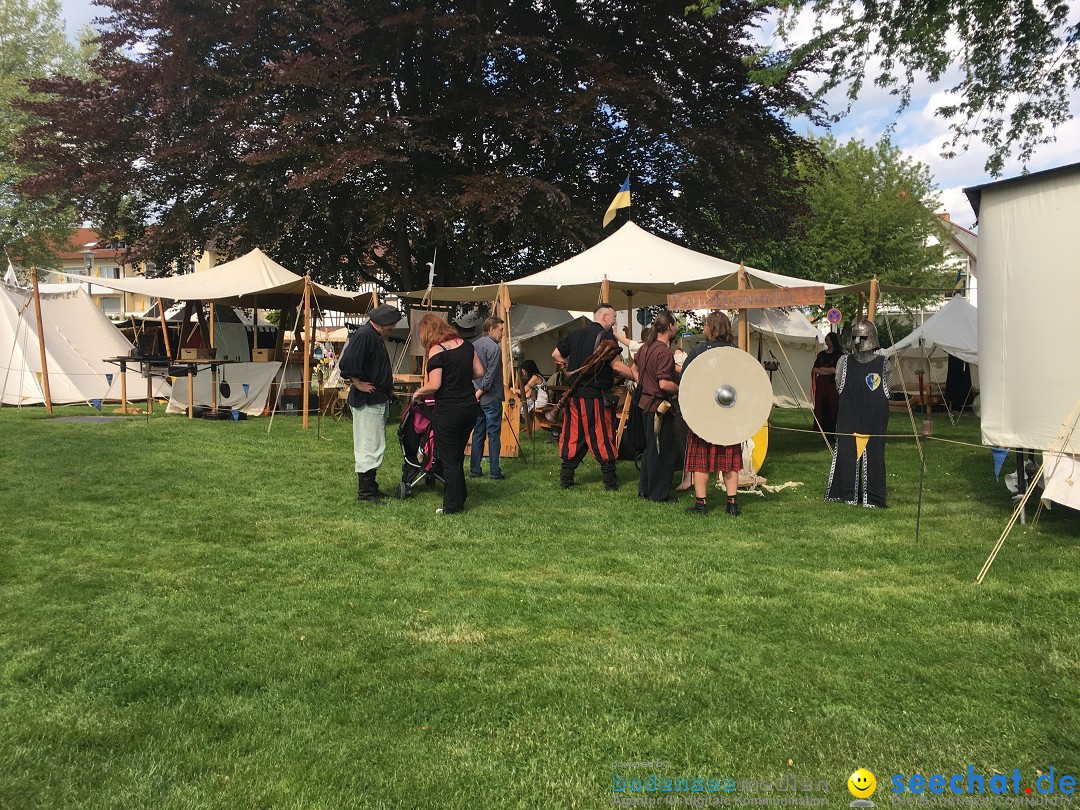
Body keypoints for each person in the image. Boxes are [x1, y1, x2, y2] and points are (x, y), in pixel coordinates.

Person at [552, 303, 637, 491]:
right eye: (613, 317)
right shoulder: (605, 336)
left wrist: (570, 367)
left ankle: (566, 479)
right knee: (602, 435)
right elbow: (615, 366)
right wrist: (636, 375)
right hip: (595, 397)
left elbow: (556, 354)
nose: (615, 321)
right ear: (604, 317)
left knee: (574, 435)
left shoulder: (576, 333)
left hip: (574, 396)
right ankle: (610, 482)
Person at [412, 313, 484, 515]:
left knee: (449, 459)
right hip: (470, 407)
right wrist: (460, 375)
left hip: (449, 410)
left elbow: (435, 384)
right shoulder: (466, 344)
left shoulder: (436, 351)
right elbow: (479, 373)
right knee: (458, 455)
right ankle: (459, 496)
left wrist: (417, 393)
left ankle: (452, 506)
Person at [680, 311, 743, 516]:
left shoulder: (699, 351)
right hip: (728, 415)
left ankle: (701, 504)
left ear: (712, 328)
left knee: (701, 461)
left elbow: (685, 380)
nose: (705, 328)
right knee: (729, 461)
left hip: (703, 415)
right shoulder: (735, 352)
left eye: (707, 325)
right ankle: (731, 504)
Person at [338, 303, 401, 504]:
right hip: (368, 399)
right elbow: (347, 363)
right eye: (391, 324)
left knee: (375, 443)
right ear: (382, 322)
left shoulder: (374, 336)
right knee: (369, 444)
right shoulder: (365, 335)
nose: (393, 328)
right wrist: (358, 383)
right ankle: (365, 493)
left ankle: (371, 487)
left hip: (377, 397)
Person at [825, 319, 890, 507]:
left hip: (874, 420)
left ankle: (874, 497)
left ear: (870, 338)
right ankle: (844, 493)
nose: (857, 342)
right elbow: (839, 386)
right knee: (846, 455)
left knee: (875, 457)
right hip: (849, 417)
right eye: (854, 337)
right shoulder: (843, 363)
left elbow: (887, 391)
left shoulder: (884, 364)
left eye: (860, 338)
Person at [635, 311, 680, 502]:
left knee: (651, 449)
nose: (676, 327)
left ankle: (645, 490)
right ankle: (658, 495)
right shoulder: (662, 351)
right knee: (662, 452)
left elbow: (634, 368)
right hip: (659, 408)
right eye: (675, 324)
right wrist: (679, 388)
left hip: (645, 404)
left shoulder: (645, 347)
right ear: (669, 326)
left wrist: (644, 384)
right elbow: (663, 384)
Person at [470, 316, 506, 480]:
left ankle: (475, 470)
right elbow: (490, 375)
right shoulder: (495, 348)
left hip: (476, 396)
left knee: (478, 433)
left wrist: (476, 390)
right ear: (491, 329)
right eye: (501, 330)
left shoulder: (473, 345)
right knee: (493, 435)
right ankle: (494, 471)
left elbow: (471, 371)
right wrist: (481, 390)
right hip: (490, 396)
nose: (502, 334)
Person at [812, 332, 844, 435]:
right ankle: (823, 429)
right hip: (822, 384)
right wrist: (826, 370)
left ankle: (833, 429)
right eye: (826, 340)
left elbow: (836, 370)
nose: (827, 342)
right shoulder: (821, 354)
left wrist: (823, 369)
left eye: (829, 339)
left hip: (833, 384)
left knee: (833, 405)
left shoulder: (839, 355)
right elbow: (815, 369)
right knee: (822, 405)